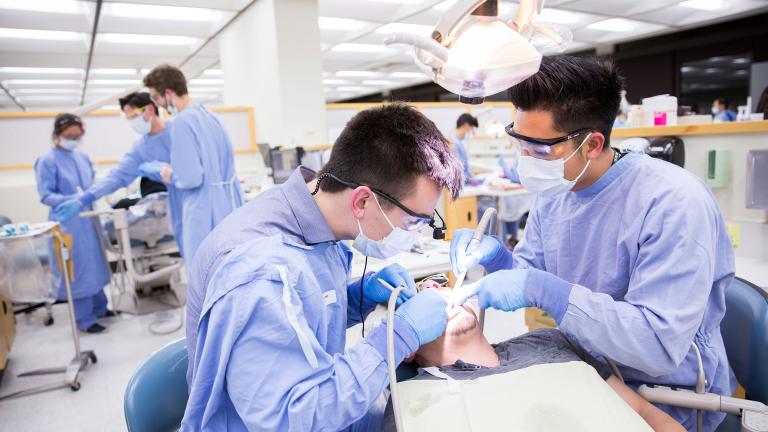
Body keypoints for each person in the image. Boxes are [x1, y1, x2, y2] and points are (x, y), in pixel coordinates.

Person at [450, 55, 735, 431]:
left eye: (539, 149)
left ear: (592, 144)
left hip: (664, 394)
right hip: (586, 369)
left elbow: (657, 348)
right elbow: (530, 273)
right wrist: (503, 262)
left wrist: (547, 291)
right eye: (520, 142)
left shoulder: (673, 203)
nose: (526, 160)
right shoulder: (557, 191)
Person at [181, 103, 464, 431]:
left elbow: (297, 316)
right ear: (361, 201)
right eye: (413, 221)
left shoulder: (316, 216)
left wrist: (358, 297)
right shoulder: (262, 274)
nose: (412, 231)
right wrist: (401, 333)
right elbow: (292, 418)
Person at [380, 280, 685, 432]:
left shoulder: (550, 340)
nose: (438, 290)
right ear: (409, 348)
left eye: (443, 286)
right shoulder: (412, 400)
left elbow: (645, 414)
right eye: (424, 296)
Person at [53, 92, 185, 255]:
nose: (132, 122)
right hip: (176, 210)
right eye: (128, 118)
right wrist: (85, 198)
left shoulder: (180, 131)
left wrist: (168, 172)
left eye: (134, 116)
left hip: (196, 202)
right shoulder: (140, 149)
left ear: (150, 109)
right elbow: (117, 176)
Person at [142, 64, 242, 261]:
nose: (157, 104)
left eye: (156, 97)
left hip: (206, 213)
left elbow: (190, 179)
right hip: (230, 207)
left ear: (168, 93)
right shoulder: (211, 116)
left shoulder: (182, 122)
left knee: (205, 277)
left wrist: (167, 173)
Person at [35, 114, 112, 333]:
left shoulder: (82, 157)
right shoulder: (47, 161)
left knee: (95, 265)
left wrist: (88, 198)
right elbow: (45, 194)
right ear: (57, 135)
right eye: (69, 136)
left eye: (77, 136)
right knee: (77, 269)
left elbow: (91, 186)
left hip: (89, 219)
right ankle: (84, 320)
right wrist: (73, 201)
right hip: (68, 221)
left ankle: (101, 308)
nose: (73, 140)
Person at [451, 113, 479, 186]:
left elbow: (465, 166)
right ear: (466, 125)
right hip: (460, 185)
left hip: (465, 181)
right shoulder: (454, 143)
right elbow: (458, 171)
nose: (470, 132)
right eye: (470, 129)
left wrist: (472, 177)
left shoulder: (460, 142)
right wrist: (469, 180)